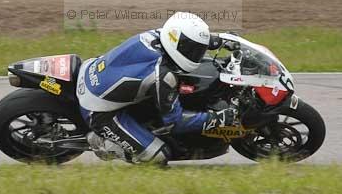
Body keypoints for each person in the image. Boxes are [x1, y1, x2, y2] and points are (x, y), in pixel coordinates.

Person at [76, 11, 239, 163]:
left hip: (93, 71)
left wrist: (220, 40)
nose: (197, 54)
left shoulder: (161, 35)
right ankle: (102, 142)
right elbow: (175, 122)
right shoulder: (162, 75)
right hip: (99, 111)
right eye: (194, 50)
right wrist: (215, 119)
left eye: (198, 50)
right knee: (159, 156)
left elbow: (188, 40)